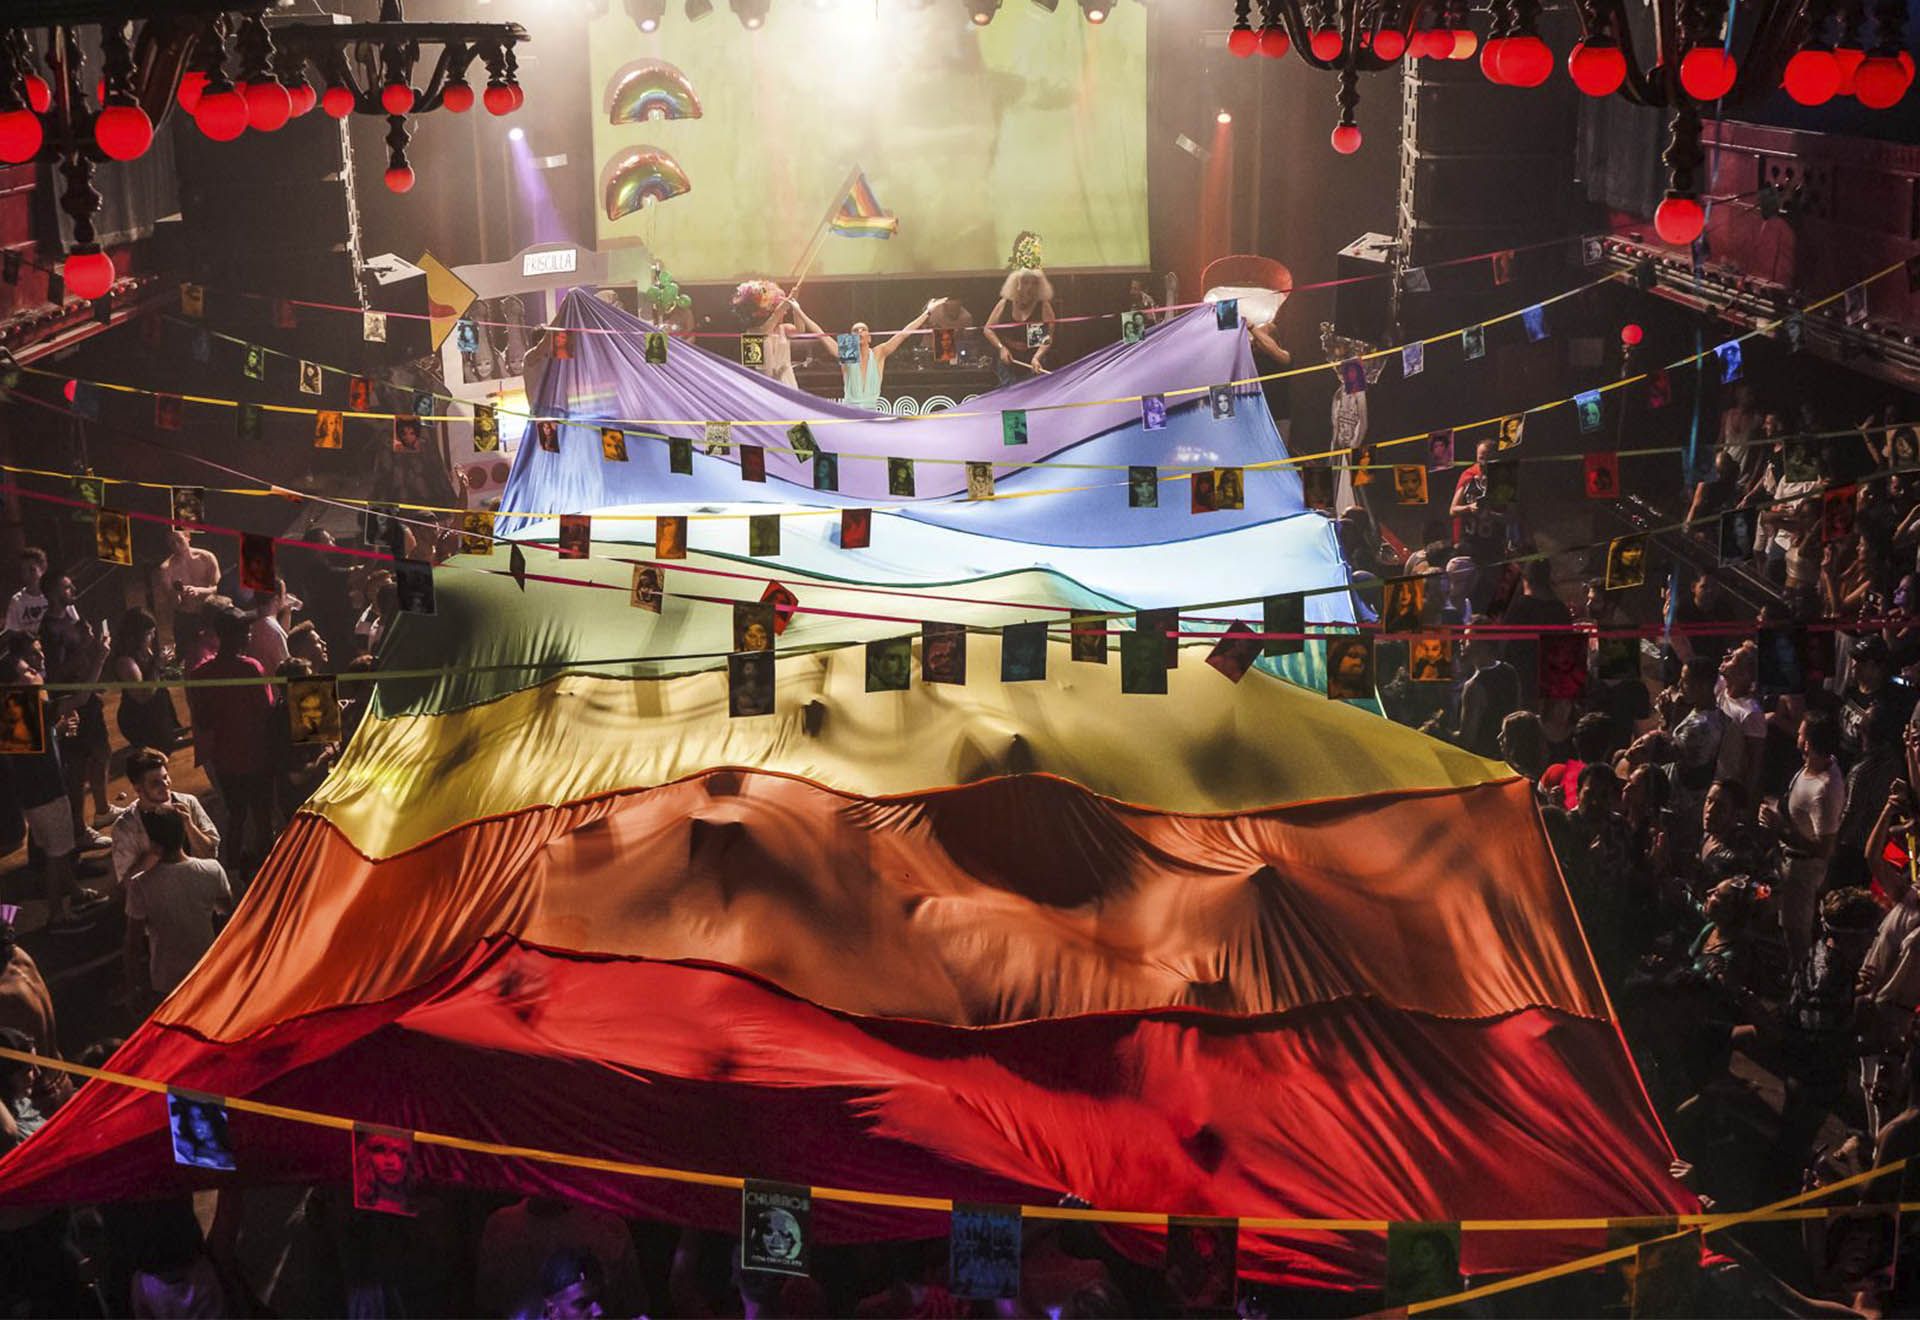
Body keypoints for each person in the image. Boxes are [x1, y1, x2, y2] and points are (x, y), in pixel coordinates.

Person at [1, 642, 104, 926]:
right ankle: (57, 916)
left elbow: (29, 751)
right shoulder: (30, 703)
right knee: (57, 856)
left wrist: (55, 732)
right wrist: (101, 656)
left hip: (34, 796)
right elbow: (82, 698)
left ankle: (74, 891)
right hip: (47, 793)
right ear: (11, 682)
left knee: (55, 849)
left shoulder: (14, 707)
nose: (35, 670)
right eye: (26, 670)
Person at [186, 607, 274, 877]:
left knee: (235, 815)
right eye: (245, 630)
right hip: (257, 756)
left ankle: (232, 871)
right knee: (262, 816)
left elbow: (201, 720)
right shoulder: (251, 668)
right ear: (234, 636)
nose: (249, 634)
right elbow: (267, 711)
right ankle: (269, 868)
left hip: (224, 759)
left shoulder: (201, 674)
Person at [1762, 711, 1846, 970]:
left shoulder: (1825, 789)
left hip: (1802, 869)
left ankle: (1800, 984)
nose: (1796, 737)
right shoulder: (1813, 766)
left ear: (1808, 743)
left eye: (1800, 733)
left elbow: (1825, 848)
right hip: (1788, 860)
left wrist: (1781, 830)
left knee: (1796, 935)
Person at [123, 805, 230, 1001]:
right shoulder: (212, 870)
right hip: (208, 970)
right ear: (183, 833)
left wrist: (133, 989)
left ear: (152, 842)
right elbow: (227, 913)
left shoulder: (140, 885)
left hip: (166, 981)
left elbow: (133, 943)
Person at [476, 1198, 643, 1319]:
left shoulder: (609, 1228)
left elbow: (631, 1305)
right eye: (583, 1304)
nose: (598, 1311)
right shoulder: (501, 1227)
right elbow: (488, 1303)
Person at [110, 745, 219, 892]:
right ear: (138, 789)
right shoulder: (125, 827)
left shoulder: (188, 802)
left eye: (165, 777)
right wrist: (150, 859)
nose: (165, 785)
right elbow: (125, 886)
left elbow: (211, 853)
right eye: (155, 782)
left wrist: (189, 826)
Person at [110, 608, 185, 753]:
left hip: (157, 713)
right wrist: (157, 666)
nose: (153, 636)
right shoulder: (125, 662)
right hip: (141, 719)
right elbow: (143, 697)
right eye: (149, 633)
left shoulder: (143, 650)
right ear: (136, 635)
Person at [840, 300, 939, 410]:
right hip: (849, 414)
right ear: (850, 338)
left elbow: (903, 334)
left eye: (863, 329)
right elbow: (825, 338)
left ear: (869, 337)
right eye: (855, 330)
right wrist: (815, 326)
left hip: (871, 414)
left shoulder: (879, 352)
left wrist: (928, 313)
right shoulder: (847, 352)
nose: (859, 331)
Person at [731, 280, 826, 390]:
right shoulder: (751, 334)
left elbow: (800, 330)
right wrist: (788, 299)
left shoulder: (783, 329)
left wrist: (795, 307)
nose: (785, 312)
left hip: (787, 379)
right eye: (779, 307)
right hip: (766, 383)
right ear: (768, 311)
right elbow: (772, 321)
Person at [981, 265, 1057, 385]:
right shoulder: (1005, 303)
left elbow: (1047, 337)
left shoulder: (1043, 306)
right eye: (1026, 282)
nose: (1030, 287)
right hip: (1008, 362)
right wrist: (1001, 348)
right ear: (1016, 284)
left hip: (1033, 362)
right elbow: (988, 329)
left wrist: (1037, 357)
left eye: (1034, 283)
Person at [3, 548, 48, 636]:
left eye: (32, 570)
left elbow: (74, 621)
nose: (27, 575)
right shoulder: (17, 601)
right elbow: (11, 633)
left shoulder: (55, 593)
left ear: (43, 568)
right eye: (24, 570)